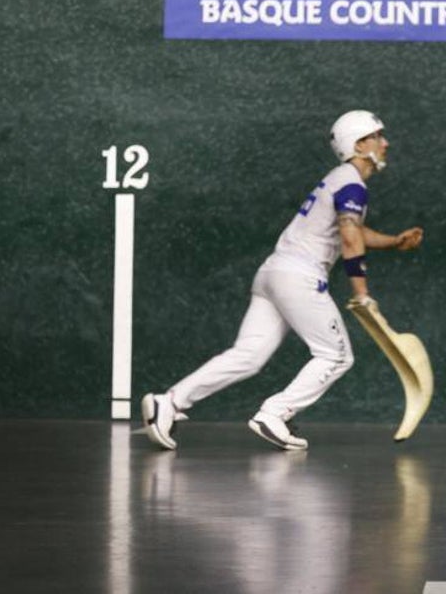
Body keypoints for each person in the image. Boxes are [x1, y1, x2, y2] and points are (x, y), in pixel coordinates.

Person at [141, 110, 424, 451]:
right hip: (299, 277)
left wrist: (394, 241)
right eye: (378, 136)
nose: (385, 143)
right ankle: (275, 413)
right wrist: (361, 292)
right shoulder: (351, 184)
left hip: (273, 273)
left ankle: (168, 402)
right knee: (335, 356)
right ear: (360, 144)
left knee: (248, 355)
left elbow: (353, 231)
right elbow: (349, 236)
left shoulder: (340, 180)